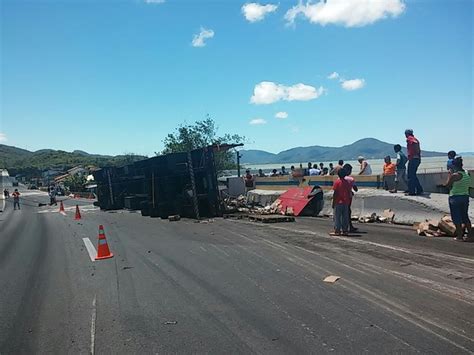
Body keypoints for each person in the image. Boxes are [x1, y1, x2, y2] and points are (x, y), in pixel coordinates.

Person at [444, 157, 472, 242]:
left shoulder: (455, 175)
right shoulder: (467, 173)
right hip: (465, 196)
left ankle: (460, 236)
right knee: (465, 216)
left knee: (456, 217)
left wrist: (449, 174)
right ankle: (470, 235)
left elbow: (447, 185)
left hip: (455, 197)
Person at [330, 168, 352, 236]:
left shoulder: (337, 182)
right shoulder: (347, 182)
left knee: (337, 217)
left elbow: (335, 193)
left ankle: (337, 230)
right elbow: (349, 193)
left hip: (338, 202)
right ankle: (345, 230)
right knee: (345, 217)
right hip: (346, 202)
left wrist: (333, 202)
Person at [405, 129, 423, 195]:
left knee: (410, 175)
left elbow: (414, 142)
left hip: (413, 159)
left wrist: (414, 153)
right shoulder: (415, 138)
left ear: (407, 134)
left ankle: (412, 191)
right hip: (417, 159)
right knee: (413, 175)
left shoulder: (410, 138)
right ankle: (419, 189)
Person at [343, 163, 359, 232]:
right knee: (348, 211)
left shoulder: (339, 178)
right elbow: (355, 189)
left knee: (342, 212)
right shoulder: (351, 179)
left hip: (340, 197)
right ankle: (350, 226)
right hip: (348, 197)